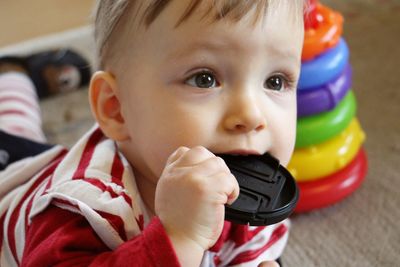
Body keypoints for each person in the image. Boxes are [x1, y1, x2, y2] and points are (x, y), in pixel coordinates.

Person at [0, 0, 305, 266]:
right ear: (116, 108)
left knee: (26, 137)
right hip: (14, 186)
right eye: (204, 78)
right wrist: (178, 240)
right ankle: (12, 75)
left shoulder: (251, 192)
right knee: (14, 135)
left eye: (276, 81)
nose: (252, 115)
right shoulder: (85, 208)